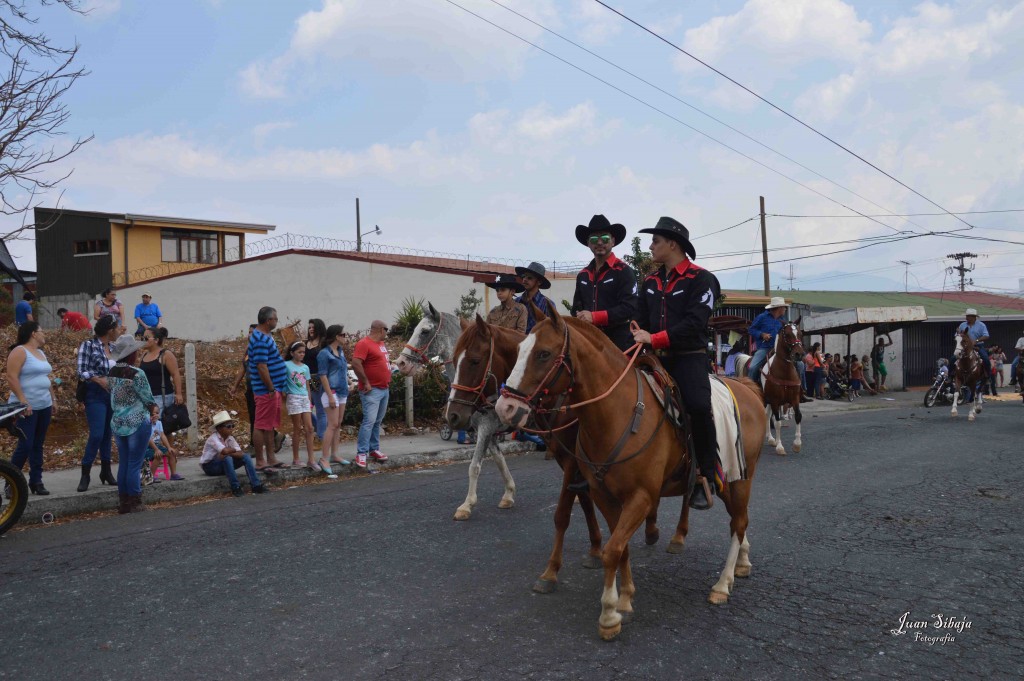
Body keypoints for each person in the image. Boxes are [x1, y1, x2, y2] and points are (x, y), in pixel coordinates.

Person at [632, 216, 721, 511]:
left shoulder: (702, 279)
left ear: (672, 243)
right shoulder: (650, 282)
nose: (651, 246)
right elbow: (640, 319)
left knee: (697, 405)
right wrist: (636, 334)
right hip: (654, 359)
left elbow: (696, 324)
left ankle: (707, 474)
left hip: (689, 358)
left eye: (655, 241)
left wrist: (654, 338)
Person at [107, 334, 159, 514]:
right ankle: (135, 500)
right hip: (136, 421)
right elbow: (147, 398)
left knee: (124, 462)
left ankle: (124, 502)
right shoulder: (137, 373)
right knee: (135, 463)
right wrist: (154, 410)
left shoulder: (112, 372)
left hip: (118, 421)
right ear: (131, 354)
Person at [571, 214, 639, 352]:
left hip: (619, 345)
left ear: (613, 241)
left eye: (605, 238)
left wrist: (595, 317)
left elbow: (629, 308)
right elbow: (576, 307)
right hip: (590, 342)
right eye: (594, 238)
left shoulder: (624, 271)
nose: (600, 242)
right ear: (588, 243)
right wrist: (578, 315)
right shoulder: (583, 275)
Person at [6, 322, 55, 495]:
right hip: (26, 407)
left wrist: (53, 399)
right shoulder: (20, 351)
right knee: (25, 444)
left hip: (44, 405)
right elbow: (11, 377)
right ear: (34, 333)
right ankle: (11, 481)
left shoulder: (41, 353)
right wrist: (23, 401)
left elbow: (45, 377)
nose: (44, 335)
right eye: (42, 331)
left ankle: (36, 481)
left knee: (38, 444)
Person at [76, 315, 120, 492]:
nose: (118, 331)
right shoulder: (89, 345)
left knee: (108, 434)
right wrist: (97, 379)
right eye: (116, 328)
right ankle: (85, 473)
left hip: (112, 394)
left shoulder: (115, 348)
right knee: (96, 434)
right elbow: (81, 370)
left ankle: (106, 471)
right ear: (110, 330)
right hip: (94, 394)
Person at [248, 307, 289, 471]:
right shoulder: (259, 339)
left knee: (269, 425)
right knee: (260, 425)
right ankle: (260, 461)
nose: (277, 322)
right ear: (268, 321)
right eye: (275, 319)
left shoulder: (267, 336)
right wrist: (270, 387)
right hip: (265, 389)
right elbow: (261, 366)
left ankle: (271, 457)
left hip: (274, 388)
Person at [352, 320, 392, 469]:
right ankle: (361, 452)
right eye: (386, 330)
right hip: (372, 390)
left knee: (377, 421)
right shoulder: (364, 343)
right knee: (369, 421)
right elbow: (356, 362)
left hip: (383, 388)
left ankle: (373, 448)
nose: (387, 333)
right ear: (381, 329)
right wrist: (366, 382)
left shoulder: (380, 344)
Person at [201, 411, 266, 497]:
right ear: (219, 428)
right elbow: (224, 451)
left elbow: (240, 453)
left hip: (223, 463)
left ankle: (256, 485)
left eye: (232, 426)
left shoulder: (230, 438)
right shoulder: (213, 438)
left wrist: (229, 452)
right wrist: (231, 451)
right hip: (210, 466)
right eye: (228, 426)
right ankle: (236, 487)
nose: (231, 428)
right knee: (227, 458)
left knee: (246, 457)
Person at [317, 324, 350, 476]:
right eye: (343, 334)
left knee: (338, 423)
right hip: (331, 392)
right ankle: (324, 458)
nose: (346, 337)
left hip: (342, 391)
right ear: (336, 336)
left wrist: (349, 382)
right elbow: (323, 375)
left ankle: (335, 454)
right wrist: (330, 395)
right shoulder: (324, 354)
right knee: (332, 424)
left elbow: (341, 371)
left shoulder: (341, 351)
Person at [283, 341, 318, 470]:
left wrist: (309, 401)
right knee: (297, 428)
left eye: (303, 352)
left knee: (309, 428)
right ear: (292, 353)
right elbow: (281, 380)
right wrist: (284, 392)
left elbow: (307, 386)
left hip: (304, 398)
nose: (302, 354)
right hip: (293, 397)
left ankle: (311, 459)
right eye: (299, 352)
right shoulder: (286, 365)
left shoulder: (305, 367)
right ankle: (296, 458)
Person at [139, 327, 183, 417]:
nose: (143, 340)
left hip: (162, 396)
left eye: (146, 338)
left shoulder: (165, 354)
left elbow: (175, 374)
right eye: (142, 338)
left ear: (156, 340)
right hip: (146, 397)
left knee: (158, 426)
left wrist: (178, 394)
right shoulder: (144, 354)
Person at [747, 297, 787, 381]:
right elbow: (751, 329)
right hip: (765, 348)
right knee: (752, 368)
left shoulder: (783, 320)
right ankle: (750, 388)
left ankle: (802, 389)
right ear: (779, 308)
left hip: (780, 350)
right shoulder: (762, 317)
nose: (785, 309)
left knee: (799, 364)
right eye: (784, 307)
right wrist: (762, 334)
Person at [957, 309, 993, 396]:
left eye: (968, 316)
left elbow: (986, 335)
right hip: (964, 347)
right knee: (953, 358)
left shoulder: (981, 325)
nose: (966, 318)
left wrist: (976, 341)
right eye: (966, 316)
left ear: (973, 317)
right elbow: (958, 335)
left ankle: (987, 377)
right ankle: (951, 375)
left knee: (985, 359)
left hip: (978, 346)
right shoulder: (962, 325)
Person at [514, 261, 556, 333]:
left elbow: (551, 331)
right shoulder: (516, 302)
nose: (525, 280)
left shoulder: (548, 304)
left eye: (529, 278)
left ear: (539, 282)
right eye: (524, 276)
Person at [305, 318, 328, 442]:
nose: (311, 329)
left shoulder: (323, 344)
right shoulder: (306, 343)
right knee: (306, 408)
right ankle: (321, 431)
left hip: (320, 378)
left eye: (313, 327)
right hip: (307, 379)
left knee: (320, 409)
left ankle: (321, 437)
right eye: (309, 327)